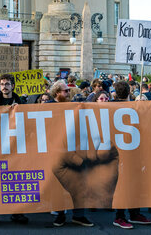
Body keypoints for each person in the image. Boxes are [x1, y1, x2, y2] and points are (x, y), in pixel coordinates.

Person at [49, 81, 94, 228]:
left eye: (68, 91)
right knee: (60, 187)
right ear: (57, 92)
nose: (68, 93)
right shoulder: (47, 107)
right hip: (58, 155)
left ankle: (78, 216)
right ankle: (61, 215)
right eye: (65, 91)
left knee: (80, 183)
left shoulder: (73, 106)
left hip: (74, 151)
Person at [0, 74, 28, 225]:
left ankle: (17, 213)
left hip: (17, 146)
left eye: (7, 84)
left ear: (13, 86)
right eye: (2, 84)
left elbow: (29, 121)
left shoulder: (21, 102)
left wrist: (20, 110)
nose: (4, 87)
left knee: (17, 180)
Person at [111, 81, 151, 229]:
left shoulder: (112, 107)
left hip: (131, 152)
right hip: (122, 153)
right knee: (124, 185)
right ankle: (120, 216)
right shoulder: (113, 108)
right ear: (130, 92)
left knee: (133, 184)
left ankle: (133, 213)